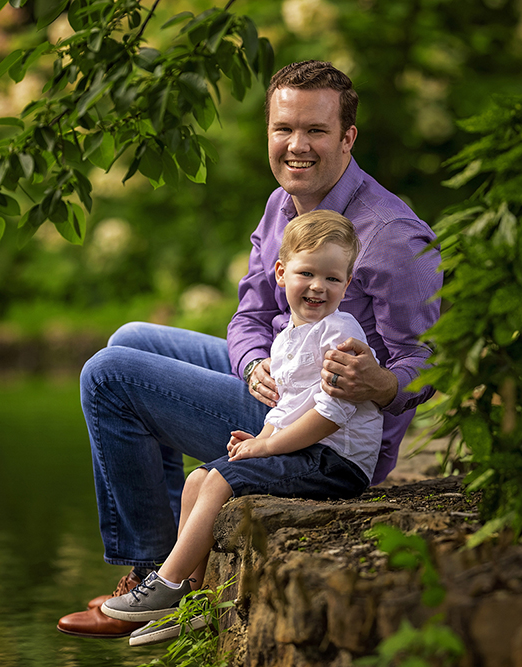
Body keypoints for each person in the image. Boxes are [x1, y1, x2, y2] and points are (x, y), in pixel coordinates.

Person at [57, 60, 442, 639]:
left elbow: (430, 360)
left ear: (347, 137)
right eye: (284, 128)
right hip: (280, 375)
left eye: (315, 130)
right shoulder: (281, 205)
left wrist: (381, 383)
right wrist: (251, 362)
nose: (297, 146)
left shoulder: (390, 235)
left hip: (323, 428)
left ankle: (157, 579)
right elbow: (250, 316)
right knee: (131, 338)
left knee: (109, 374)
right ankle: (162, 567)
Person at [100, 211, 383, 646]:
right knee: (196, 479)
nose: (318, 287)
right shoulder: (289, 337)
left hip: (336, 462)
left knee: (217, 480)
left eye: (333, 278)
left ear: (347, 284)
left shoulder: (340, 333)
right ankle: (192, 602)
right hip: (304, 450)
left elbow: (331, 414)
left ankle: (166, 582)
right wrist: (264, 437)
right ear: (281, 273)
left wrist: (270, 449)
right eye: (306, 273)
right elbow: (286, 403)